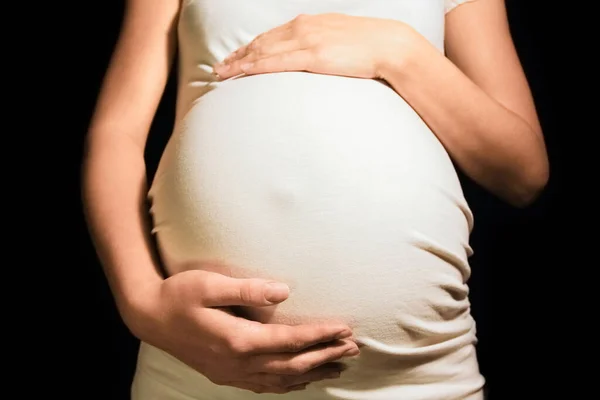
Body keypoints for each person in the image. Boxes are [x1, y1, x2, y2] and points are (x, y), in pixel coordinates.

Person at [81, 0, 549, 399]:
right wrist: (143, 306)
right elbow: (117, 134)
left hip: (415, 378)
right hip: (192, 364)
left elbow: (522, 171)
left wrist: (400, 52)